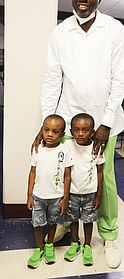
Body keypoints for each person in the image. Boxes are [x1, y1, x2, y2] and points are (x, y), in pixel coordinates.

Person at [32, 0, 124, 268]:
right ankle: (65, 224)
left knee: (103, 180)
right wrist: (48, 119)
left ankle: (109, 234)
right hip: (69, 121)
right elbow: (51, 79)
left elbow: (118, 79)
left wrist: (106, 122)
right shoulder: (61, 31)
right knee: (66, 179)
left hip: (104, 123)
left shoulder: (114, 29)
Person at [27, 114, 73, 269]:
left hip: (57, 197)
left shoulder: (65, 151)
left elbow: (67, 176)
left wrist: (65, 199)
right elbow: (32, 172)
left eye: (55, 131)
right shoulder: (37, 149)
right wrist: (29, 196)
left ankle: (49, 245)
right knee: (38, 224)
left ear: (62, 134)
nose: (50, 134)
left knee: (53, 222)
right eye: (46, 130)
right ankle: (39, 248)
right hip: (38, 196)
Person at [64, 113, 104, 266]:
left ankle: (87, 245)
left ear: (92, 132)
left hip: (90, 194)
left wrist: (99, 195)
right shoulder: (68, 146)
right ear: (71, 131)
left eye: (85, 130)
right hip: (72, 193)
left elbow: (100, 172)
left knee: (88, 221)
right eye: (76, 130)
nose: (80, 134)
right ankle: (75, 243)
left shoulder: (96, 148)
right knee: (73, 220)